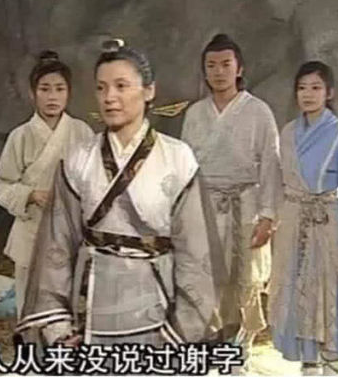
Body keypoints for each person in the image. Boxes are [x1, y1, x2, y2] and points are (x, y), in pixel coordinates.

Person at [16, 39, 220, 347]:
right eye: (101, 88)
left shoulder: (178, 158)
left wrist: (184, 325)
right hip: (91, 299)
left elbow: (196, 250)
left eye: (121, 86)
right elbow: (56, 246)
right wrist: (58, 324)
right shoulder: (78, 158)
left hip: (158, 302)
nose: (109, 97)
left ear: (149, 91)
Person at [181, 33, 282, 370]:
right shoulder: (195, 114)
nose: (219, 72)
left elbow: (271, 165)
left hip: (247, 205)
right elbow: (186, 168)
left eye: (226, 64)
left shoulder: (259, 112)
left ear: (239, 69)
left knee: (247, 280)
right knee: (207, 279)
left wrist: (268, 215)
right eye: (211, 66)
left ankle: (242, 348)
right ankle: (212, 346)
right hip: (206, 206)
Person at [268, 61, 338, 376]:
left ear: (329, 93)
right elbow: (278, 181)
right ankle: (308, 361)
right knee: (297, 287)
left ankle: (332, 360)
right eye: (302, 88)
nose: (308, 94)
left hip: (328, 224)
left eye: (316, 87)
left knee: (331, 290)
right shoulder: (288, 132)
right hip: (293, 221)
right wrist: (271, 220)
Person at [0, 50, 93, 319]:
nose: (52, 96)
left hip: (69, 230)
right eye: (45, 89)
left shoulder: (81, 132)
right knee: (30, 307)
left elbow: (94, 182)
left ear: (69, 93)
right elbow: (0, 184)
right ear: (32, 93)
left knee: (67, 308)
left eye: (59, 89)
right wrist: (31, 195)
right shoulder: (20, 136)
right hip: (31, 231)